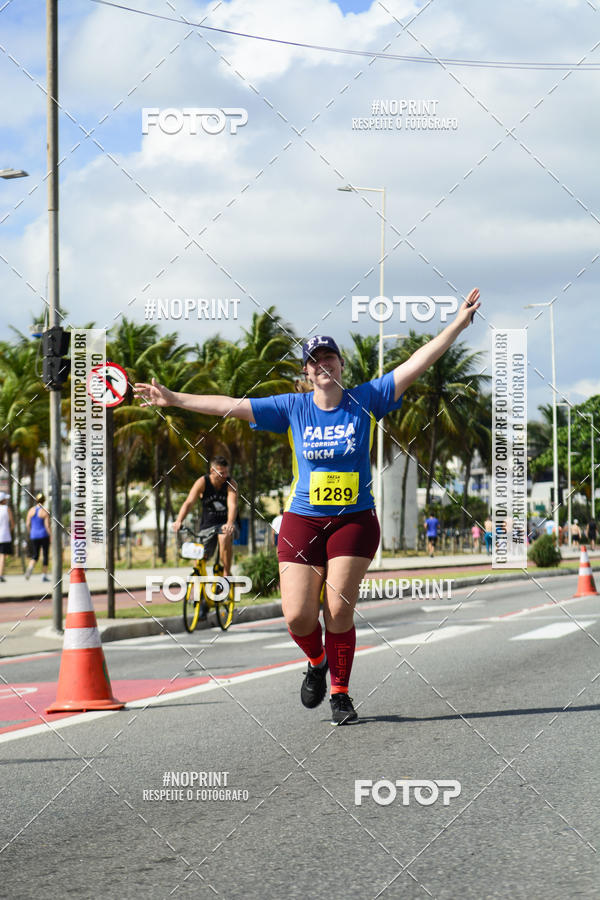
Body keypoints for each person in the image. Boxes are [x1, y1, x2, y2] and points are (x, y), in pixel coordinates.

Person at [134, 289, 481, 725]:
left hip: (354, 520)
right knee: (298, 615)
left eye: (329, 359)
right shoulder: (292, 407)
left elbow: (416, 363)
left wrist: (457, 325)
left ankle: (340, 691)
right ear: (306, 373)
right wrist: (176, 398)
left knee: (337, 608)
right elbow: (229, 405)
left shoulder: (366, 398)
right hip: (303, 518)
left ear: (340, 365)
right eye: (314, 362)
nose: (323, 366)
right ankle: (317, 661)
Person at [172, 456, 238, 576]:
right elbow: (189, 502)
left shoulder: (230, 483)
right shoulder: (202, 482)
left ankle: (226, 574)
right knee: (200, 557)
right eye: (222, 473)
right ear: (212, 471)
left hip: (226, 523)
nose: (225, 476)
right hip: (208, 524)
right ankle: (200, 586)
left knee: (224, 537)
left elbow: (232, 505)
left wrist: (229, 523)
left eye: (226, 472)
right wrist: (179, 520)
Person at [25, 493, 51, 581]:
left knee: (35, 555)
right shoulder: (45, 511)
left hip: (34, 535)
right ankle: (44, 575)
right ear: (44, 501)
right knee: (45, 555)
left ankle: (30, 568)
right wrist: (50, 535)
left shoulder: (31, 510)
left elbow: (27, 524)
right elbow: (47, 526)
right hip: (44, 535)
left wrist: (31, 532)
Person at [0, 492, 15, 582]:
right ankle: (1, 575)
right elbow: (12, 523)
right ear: (3, 500)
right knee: (2, 556)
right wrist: (9, 530)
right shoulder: (6, 509)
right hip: (4, 536)